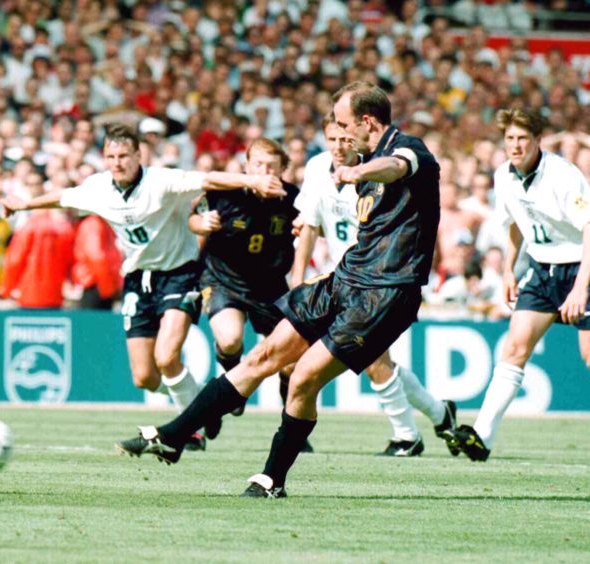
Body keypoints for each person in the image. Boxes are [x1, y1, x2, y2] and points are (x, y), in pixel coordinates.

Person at [116, 81, 441, 497]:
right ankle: (173, 435)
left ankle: (273, 479)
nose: (339, 136)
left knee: (303, 377)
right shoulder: (358, 159)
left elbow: (399, 166)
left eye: (344, 125)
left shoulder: (408, 151)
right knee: (263, 355)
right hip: (346, 277)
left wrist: (357, 171)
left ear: (367, 121)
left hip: (387, 293)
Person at [2, 124, 286, 450]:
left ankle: (189, 431)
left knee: (167, 357)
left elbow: (207, 179)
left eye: (124, 155)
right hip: (138, 279)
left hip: (181, 275)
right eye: (111, 156)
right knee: (145, 378)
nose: (117, 162)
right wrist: (23, 206)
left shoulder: (161, 181)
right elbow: (62, 198)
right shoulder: (99, 188)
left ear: (139, 155)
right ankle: (204, 403)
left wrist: (251, 179)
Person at [291, 112, 457, 457]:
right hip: (338, 278)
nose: (339, 146)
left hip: (376, 280)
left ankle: (407, 436)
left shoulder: (377, 171)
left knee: (375, 361)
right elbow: (309, 224)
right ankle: (439, 414)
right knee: (377, 361)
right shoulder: (317, 168)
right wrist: (297, 278)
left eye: (344, 138)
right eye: (332, 139)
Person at [452, 108, 590, 462]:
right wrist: (510, 270)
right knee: (514, 348)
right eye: (510, 138)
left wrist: (579, 289)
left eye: (522, 139)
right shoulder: (504, 176)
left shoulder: (562, 174)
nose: (515, 145)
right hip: (542, 270)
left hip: (581, 268)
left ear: (537, 140)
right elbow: (515, 223)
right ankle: (481, 436)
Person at [189, 138, 303, 444]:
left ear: (282, 170)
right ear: (247, 166)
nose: (264, 172)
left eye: (272, 166)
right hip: (223, 279)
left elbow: (310, 228)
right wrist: (200, 222)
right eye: (258, 165)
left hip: (271, 286)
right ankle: (233, 389)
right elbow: (190, 215)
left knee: (291, 362)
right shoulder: (223, 192)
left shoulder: (293, 198)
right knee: (229, 339)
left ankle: (290, 424)